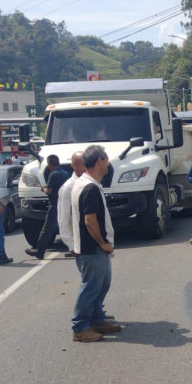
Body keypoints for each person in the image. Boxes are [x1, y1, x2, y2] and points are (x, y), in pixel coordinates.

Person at [69, 145, 121, 343]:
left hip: (94, 247)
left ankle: (96, 320)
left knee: (102, 285)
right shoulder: (89, 187)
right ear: (99, 161)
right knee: (91, 287)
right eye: (107, 160)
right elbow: (89, 220)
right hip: (93, 248)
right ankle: (80, 327)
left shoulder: (88, 183)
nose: (108, 165)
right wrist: (103, 243)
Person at [26, 155, 69, 259]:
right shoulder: (65, 173)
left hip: (55, 205)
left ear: (49, 164)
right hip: (64, 204)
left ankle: (39, 251)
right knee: (68, 227)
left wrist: (43, 189)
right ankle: (74, 248)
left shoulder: (53, 174)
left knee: (47, 229)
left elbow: (49, 190)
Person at [57, 151, 85, 256]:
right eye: (82, 164)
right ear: (73, 165)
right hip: (80, 244)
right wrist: (72, 245)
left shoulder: (90, 183)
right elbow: (63, 218)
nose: (85, 167)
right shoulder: (68, 188)